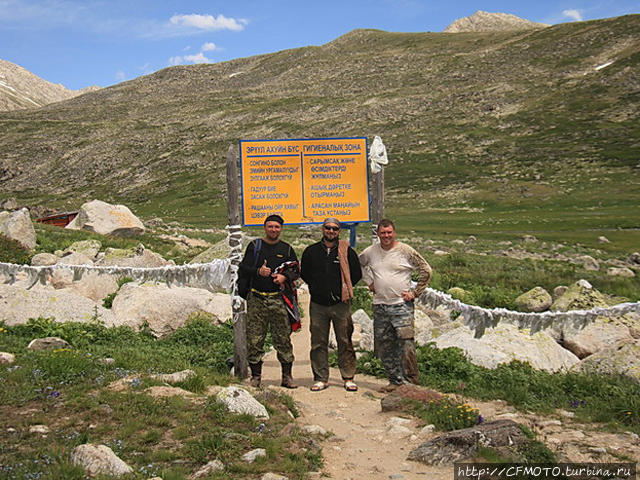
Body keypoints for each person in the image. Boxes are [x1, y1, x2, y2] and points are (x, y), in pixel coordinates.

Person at [359, 218, 432, 392]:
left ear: (394, 233)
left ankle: (411, 382)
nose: (386, 236)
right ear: (378, 234)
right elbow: (358, 264)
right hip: (380, 305)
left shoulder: (405, 250)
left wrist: (415, 293)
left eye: (389, 232)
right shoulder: (370, 252)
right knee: (384, 344)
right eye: (383, 233)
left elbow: (426, 269)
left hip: (401, 305)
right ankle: (394, 380)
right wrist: (369, 281)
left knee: (406, 343)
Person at [301, 218, 362, 392]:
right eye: (328, 227)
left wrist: (342, 289)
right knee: (318, 342)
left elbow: (356, 274)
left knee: (345, 340)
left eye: (335, 228)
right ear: (322, 229)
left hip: (341, 303)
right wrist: (317, 287)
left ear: (339, 231)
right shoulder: (311, 251)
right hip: (318, 304)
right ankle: (321, 378)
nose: (331, 231)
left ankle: (348, 376)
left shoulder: (347, 252)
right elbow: (305, 272)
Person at [239, 214, 299, 389]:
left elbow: (296, 270)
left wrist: (284, 276)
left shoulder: (287, 249)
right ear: (265, 228)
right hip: (257, 298)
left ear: (281, 229)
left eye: (277, 227)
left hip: (278, 299)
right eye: (270, 226)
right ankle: (256, 377)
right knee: (255, 339)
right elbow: (243, 269)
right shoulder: (254, 246)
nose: (273, 229)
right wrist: (258, 271)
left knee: (283, 338)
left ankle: (287, 377)